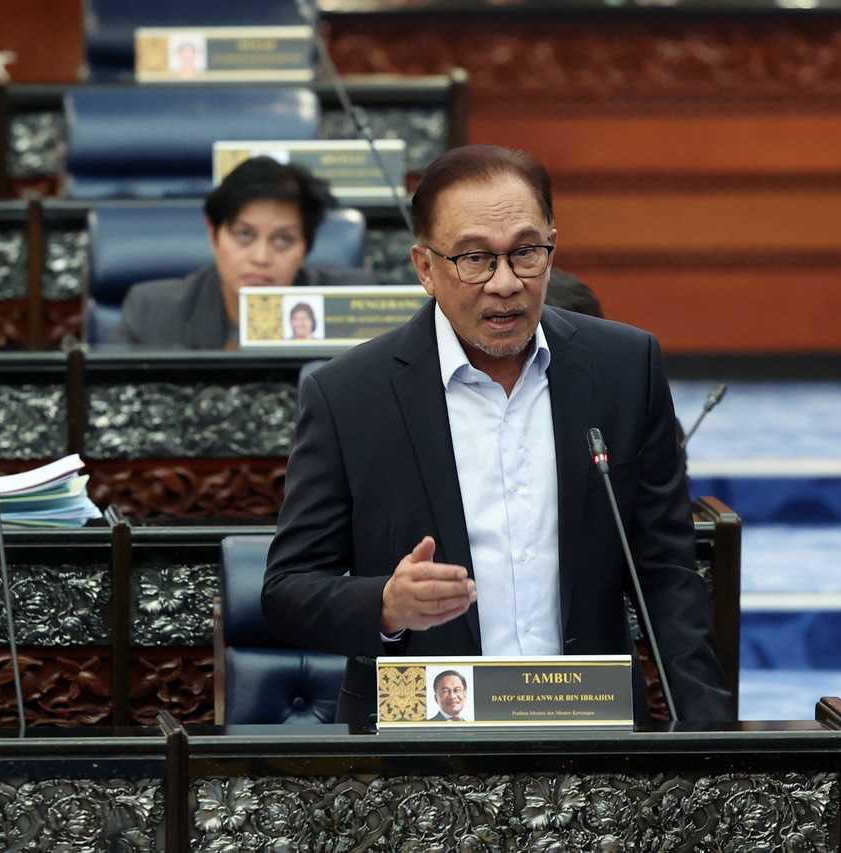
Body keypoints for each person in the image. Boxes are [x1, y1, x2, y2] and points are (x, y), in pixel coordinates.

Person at [262, 144, 731, 728]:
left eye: (526, 253)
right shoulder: (350, 395)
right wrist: (385, 604)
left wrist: (710, 733)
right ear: (425, 268)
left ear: (551, 250)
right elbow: (286, 591)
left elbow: (666, 571)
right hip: (423, 742)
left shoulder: (623, 368)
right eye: (475, 258)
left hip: (589, 727)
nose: (505, 282)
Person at [116, 157, 371, 349]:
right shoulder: (152, 313)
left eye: (283, 239)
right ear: (213, 234)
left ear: (306, 247)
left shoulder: (356, 306)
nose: (261, 257)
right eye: (244, 235)